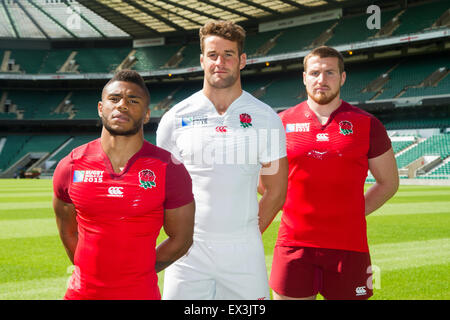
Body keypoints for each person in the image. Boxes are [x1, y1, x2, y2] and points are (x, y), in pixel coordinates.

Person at [156, 20, 288, 300]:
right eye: (213, 55)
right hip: (188, 250)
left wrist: (247, 232)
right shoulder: (175, 118)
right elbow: (164, 190)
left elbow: (276, 191)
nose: (220, 62)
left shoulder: (266, 118)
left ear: (242, 60)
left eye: (228, 54)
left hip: (244, 249)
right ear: (202, 60)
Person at [269, 46, 399, 300]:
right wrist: (293, 206)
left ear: (342, 77)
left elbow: (388, 183)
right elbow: (265, 182)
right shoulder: (280, 123)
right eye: (315, 72)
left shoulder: (368, 124)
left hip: (349, 246)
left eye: (330, 72)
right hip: (293, 245)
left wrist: (351, 212)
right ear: (304, 77)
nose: (322, 79)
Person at [52, 70, 195, 300]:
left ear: (147, 114)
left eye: (133, 100)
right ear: (101, 108)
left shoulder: (170, 168)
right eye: (115, 98)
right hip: (81, 294)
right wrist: (92, 271)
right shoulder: (70, 166)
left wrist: (139, 270)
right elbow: (67, 232)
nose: (122, 105)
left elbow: (182, 239)